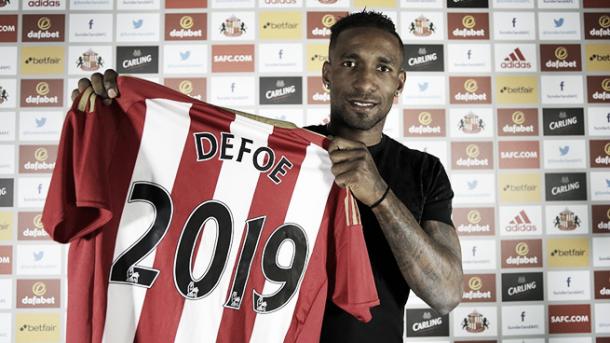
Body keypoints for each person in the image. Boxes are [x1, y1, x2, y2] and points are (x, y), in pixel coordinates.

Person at [72, 10, 462, 343]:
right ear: (327, 74)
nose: (364, 82)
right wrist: (118, 110)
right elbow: (190, 161)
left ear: (400, 81)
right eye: (349, 63)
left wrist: (379, 195)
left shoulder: (424, 171)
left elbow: (445, 294)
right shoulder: (280, 153)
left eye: (382, 67)